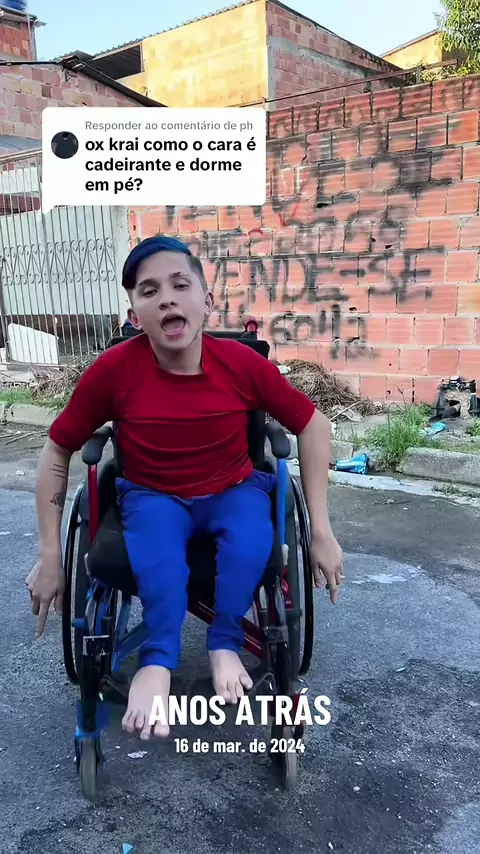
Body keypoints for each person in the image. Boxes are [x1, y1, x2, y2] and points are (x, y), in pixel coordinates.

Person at [26, 235, 343, 741]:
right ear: (134, 316)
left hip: (233, 488)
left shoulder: (241, 364)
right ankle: (157, 660)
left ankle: (224, 642)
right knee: (159, 556)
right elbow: (58, 449)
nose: (167, 299)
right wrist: (49, 554)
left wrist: (321, 533)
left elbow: (314, 426)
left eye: (179, 285)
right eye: (150, 291)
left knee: (252, 539)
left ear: (206, 301)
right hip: (152, 494)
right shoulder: (113, 371)